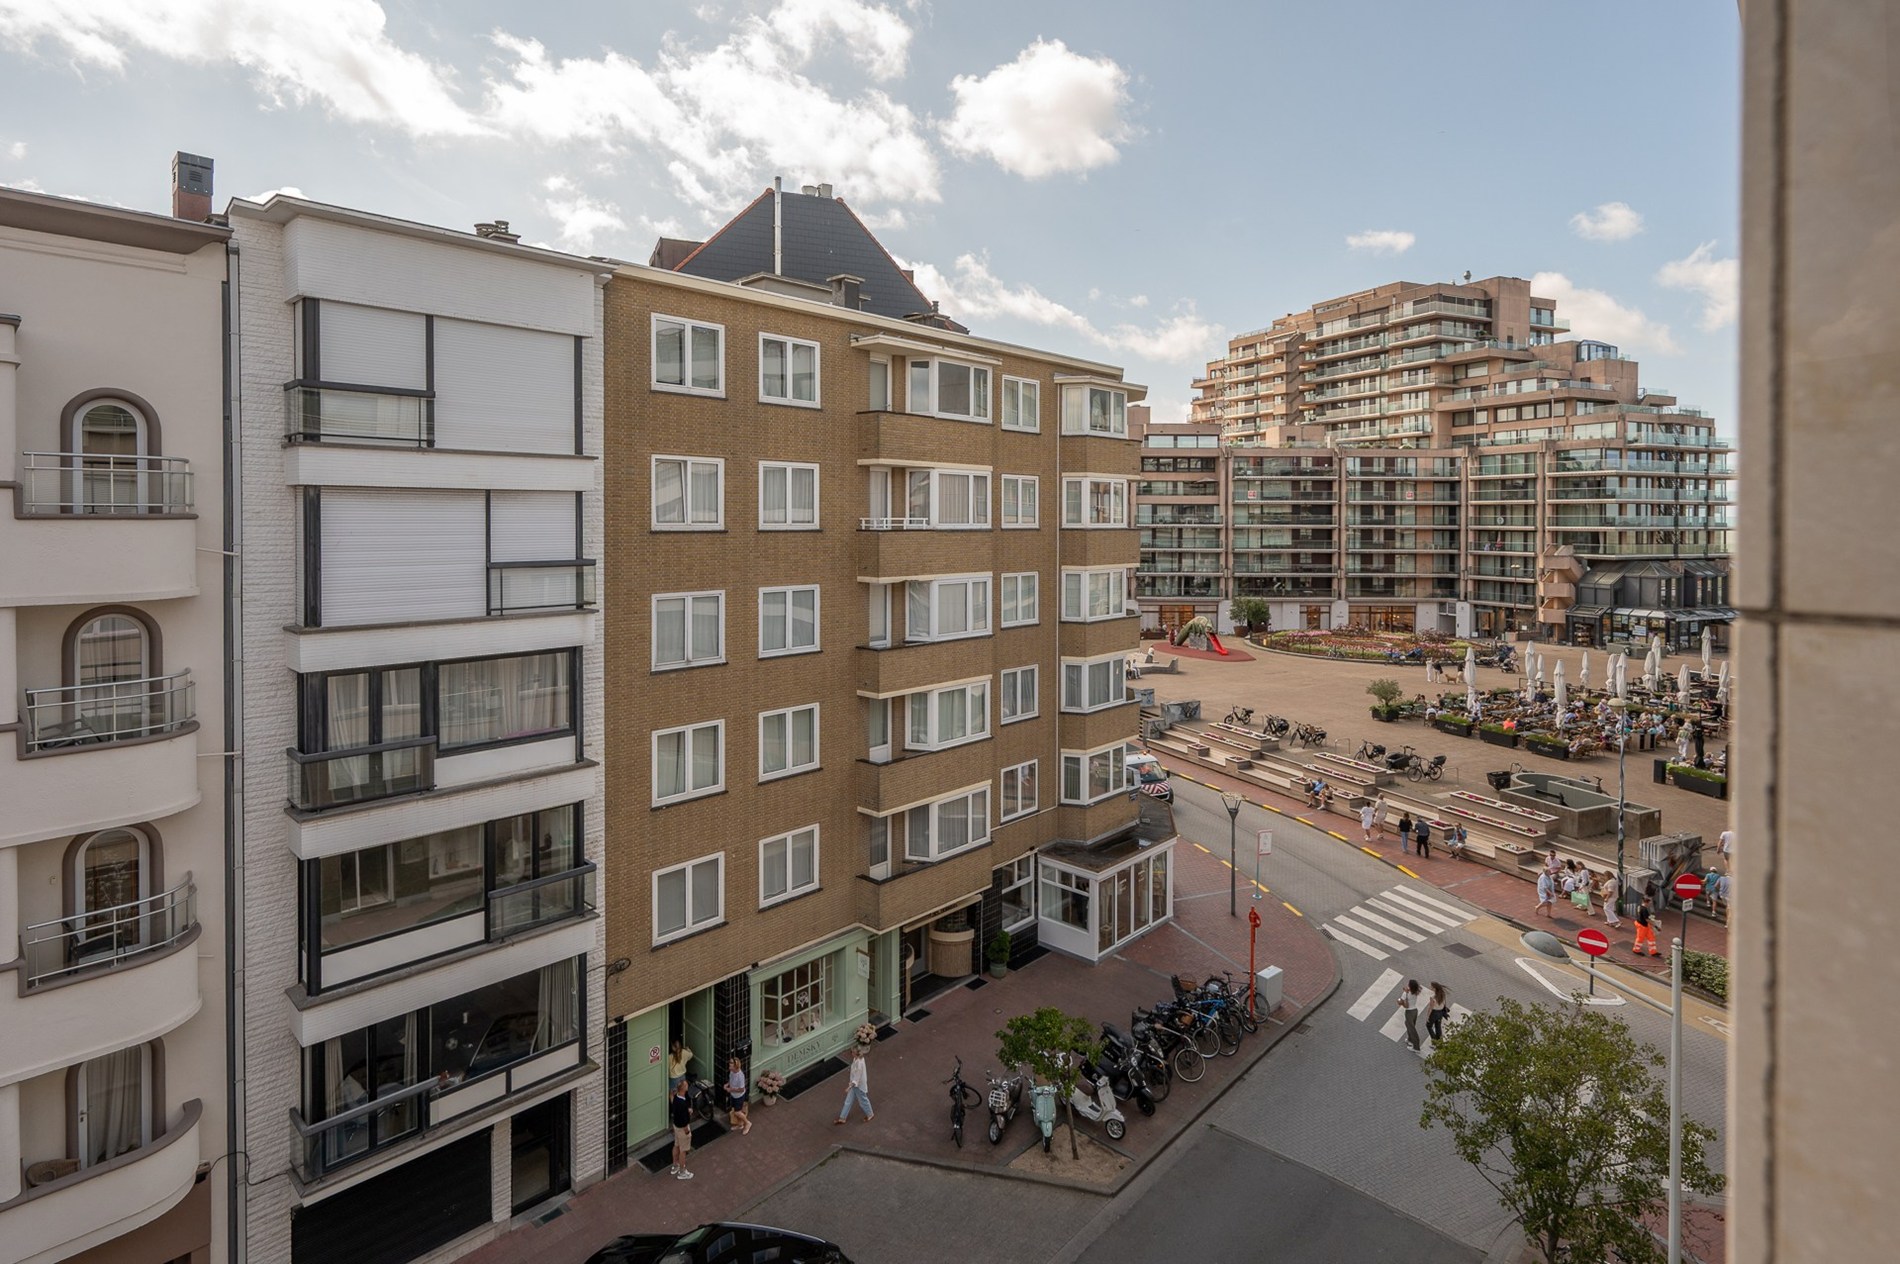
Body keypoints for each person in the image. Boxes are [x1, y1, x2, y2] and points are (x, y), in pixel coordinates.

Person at [835, 1046, 874, 1124]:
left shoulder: (859, 1063)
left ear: (855, 1053)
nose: (851, 1053)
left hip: (858, 1086)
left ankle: (870, 1114)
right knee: (848, 1101)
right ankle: (842, 1118)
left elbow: (857, 1077)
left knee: (863, 1101)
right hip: (855, 1085)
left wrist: (849, 1087)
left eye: (852, 1052)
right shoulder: (857, 1059)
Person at [669, 1079, 695, 1179]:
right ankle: (682, 1171)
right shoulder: (682, 1104)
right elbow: (684, 1120)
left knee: (676, 1145)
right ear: (683, 1089)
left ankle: (675, 1166)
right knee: (683, 1150)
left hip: (676, 1126)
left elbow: (671, 1098)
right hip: (682, 1128)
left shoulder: (676, 1098)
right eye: (686, 1085)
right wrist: (687, 1131)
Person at [726, 1055, 751, 1136]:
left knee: (737, 1112)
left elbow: (742, 1089)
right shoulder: (732, 1072)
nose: (729, 1065)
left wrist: (731, 1089)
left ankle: (747, 1123)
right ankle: (740, 1125)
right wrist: (727, 1084)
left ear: (735, 1066)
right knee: (736, 1110)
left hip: (739, 1096)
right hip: (734, 1095)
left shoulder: (740, 1076)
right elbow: (731, 1080)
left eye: (731, 1064)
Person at [1397, 979, 1423, 1053]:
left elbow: (1400, 1001)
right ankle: (1410, 1039)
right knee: (1409, 1025)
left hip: (1409, 1012)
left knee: (1412, 1029)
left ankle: (1416, 1047)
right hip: (1415, 1011)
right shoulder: (1415, 992)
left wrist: (1403, 994)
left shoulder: (1406, 994)